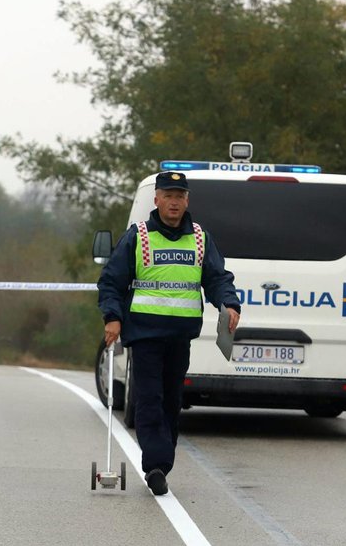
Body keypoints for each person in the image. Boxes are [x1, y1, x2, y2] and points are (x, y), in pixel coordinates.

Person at [97, 170, 241, 496]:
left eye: (179, 196)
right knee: (149, 398)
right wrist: (113, 317)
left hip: (180, 336)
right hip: (145, 335)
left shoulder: (201, 238)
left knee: (171, 401)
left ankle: (162, 460)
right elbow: (111, 281)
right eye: (168, 196)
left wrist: (229, 304)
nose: (174, 202)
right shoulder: (139, 236)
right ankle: (156, 465)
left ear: (187, 201)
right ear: (157, 199)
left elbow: (217, 277)